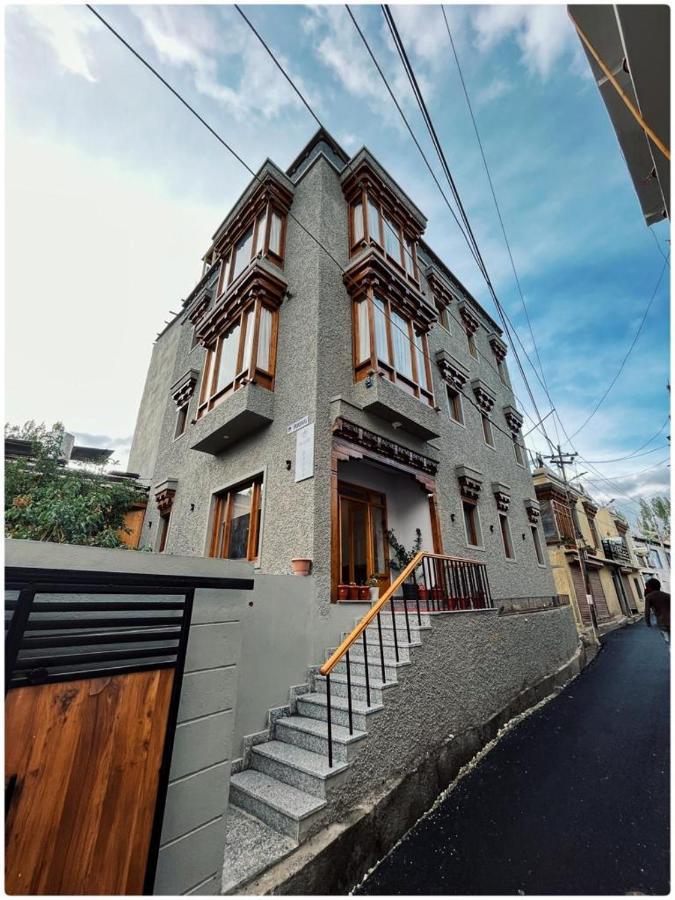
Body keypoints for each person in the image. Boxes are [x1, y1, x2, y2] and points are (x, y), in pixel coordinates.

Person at [644, 577, 670, 643]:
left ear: (649, 587)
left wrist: (648, 623)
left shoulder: (649, 597)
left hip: (662, 623)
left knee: (668, 641)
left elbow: (647, 612)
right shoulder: (668, 595)